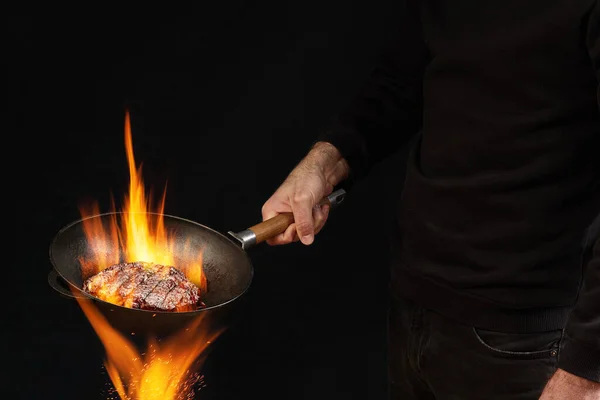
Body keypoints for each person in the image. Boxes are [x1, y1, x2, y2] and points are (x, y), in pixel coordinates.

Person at [260, 0, 600, 399]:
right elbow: (402, 81)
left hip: (528, 337)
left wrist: (585, 372)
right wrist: (324, 163)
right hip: (415, 303)